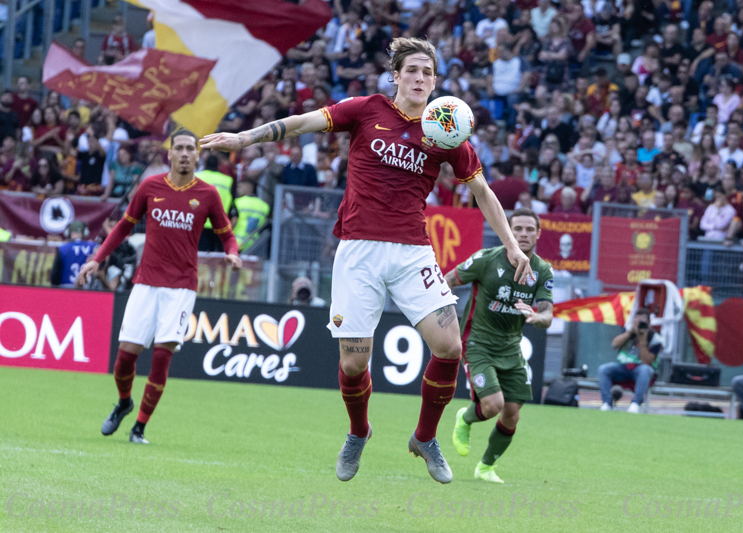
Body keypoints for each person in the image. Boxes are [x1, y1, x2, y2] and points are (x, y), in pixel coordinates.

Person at [200, 37, 532, 484]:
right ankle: (359, 433)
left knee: (450, 346)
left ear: (436, 81)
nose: (419, 79)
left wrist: (511, 244)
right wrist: (245, 137)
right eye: (412, 70)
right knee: (355, 364)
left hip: (413, 251)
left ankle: (424, 437)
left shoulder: (446, 127)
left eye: (427, 72)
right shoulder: (366, 109)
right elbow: (301, 123)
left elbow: (483, 192)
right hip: (358, 252)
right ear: (396, 76)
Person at [77, 129, 242, 445]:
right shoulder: (150, 187)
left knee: (162, 357)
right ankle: (124, 402)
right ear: (169, 154)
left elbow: (227, 234)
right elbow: (124, 226)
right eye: (178, 148)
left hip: (181, 288)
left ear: (196, 155)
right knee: (125, 358)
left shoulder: (207, 194)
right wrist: (98, 259)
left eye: (189, 149)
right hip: (146, 282)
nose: (183, 153)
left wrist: (232, 253)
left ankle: (139, 427)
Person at [445, 209, 553, 483]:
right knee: (493, 405)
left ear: (538, 234)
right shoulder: (487, 259)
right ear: (508, 231)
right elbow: (449, 280)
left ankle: (485, 468)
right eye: (518, 229)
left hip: (511, 348)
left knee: (512, 414)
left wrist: (537, 317)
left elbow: (548, 315)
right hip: (477, 342)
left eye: (530, 229)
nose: (523, 234)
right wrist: (441, 315)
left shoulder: (542, 270)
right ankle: (465, 418)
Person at [598, 308, 663, 413]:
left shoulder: (655, 338)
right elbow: (614, 344)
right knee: (603, 369)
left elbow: (647, 362)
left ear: (649, 323)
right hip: (624, 367)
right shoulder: (628, 331)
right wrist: (630, 333)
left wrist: (643, 340)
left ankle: (635, 404)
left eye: (643, 322)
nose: (640, 324)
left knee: (645, 370)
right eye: (637, 321)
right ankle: (607, 403)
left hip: (641, 369)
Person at [196, 155, 236, 252]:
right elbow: (232, 201)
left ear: (205, 164)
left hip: (201, 222)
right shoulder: (228, 180)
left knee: (200, 254)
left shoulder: (197, 176)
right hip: (220, 222)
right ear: (219, 165)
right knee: (219, 256)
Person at [50, 221, 97, 288]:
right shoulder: (93, 247)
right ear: (85, 232)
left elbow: (55, 274)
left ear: (68, 232)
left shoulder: (63, 248)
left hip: (66, 288)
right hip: (86, 288)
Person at [232, 179, 270, 251]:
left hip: (236, 243)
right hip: (254, 244)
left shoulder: (238, 202)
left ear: (249, 187)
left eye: (240, 187)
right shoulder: (264, 206)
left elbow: (234, 221)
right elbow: (264, 224)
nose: (237, 189)